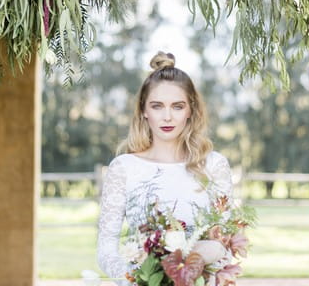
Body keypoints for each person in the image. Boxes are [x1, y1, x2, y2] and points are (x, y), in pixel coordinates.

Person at [97, 51, 233, 284]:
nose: (167, 117)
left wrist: (199, 261)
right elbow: (106, 250)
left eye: (177, 107)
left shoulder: (214, 166)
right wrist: (139, 280)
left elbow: (226, 246)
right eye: (157, 106)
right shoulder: (124, 168)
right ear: (144, 111)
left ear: (190, 111)